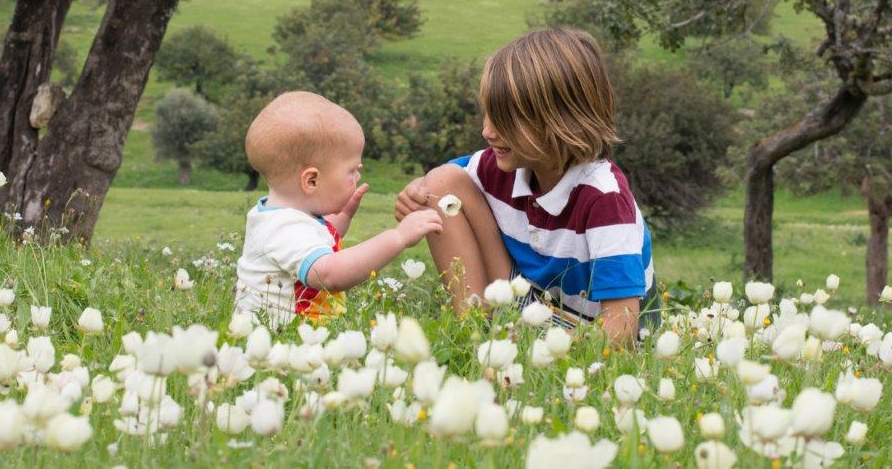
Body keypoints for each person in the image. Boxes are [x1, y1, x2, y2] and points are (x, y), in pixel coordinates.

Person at [395, 28, 656, 343]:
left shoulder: (604, 198)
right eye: (489, 115)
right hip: (528, 312)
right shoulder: (500, 166)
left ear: (561, 120)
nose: (487, 131)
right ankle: (474, 330)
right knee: (441, 182)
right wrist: (418, 191)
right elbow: (443, 182)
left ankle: (501, 340)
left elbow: (620, 332)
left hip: (588, 339)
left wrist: (547, 351)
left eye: (505, 120)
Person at [236, 91, 443, 326]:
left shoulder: (283, 216)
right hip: (282, 340)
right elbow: (329, 275)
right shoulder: (284, 229)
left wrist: (341, 217)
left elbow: (315, 241)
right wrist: (398, 237)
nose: (359, 174)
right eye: (351, 170)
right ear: (311, 181)